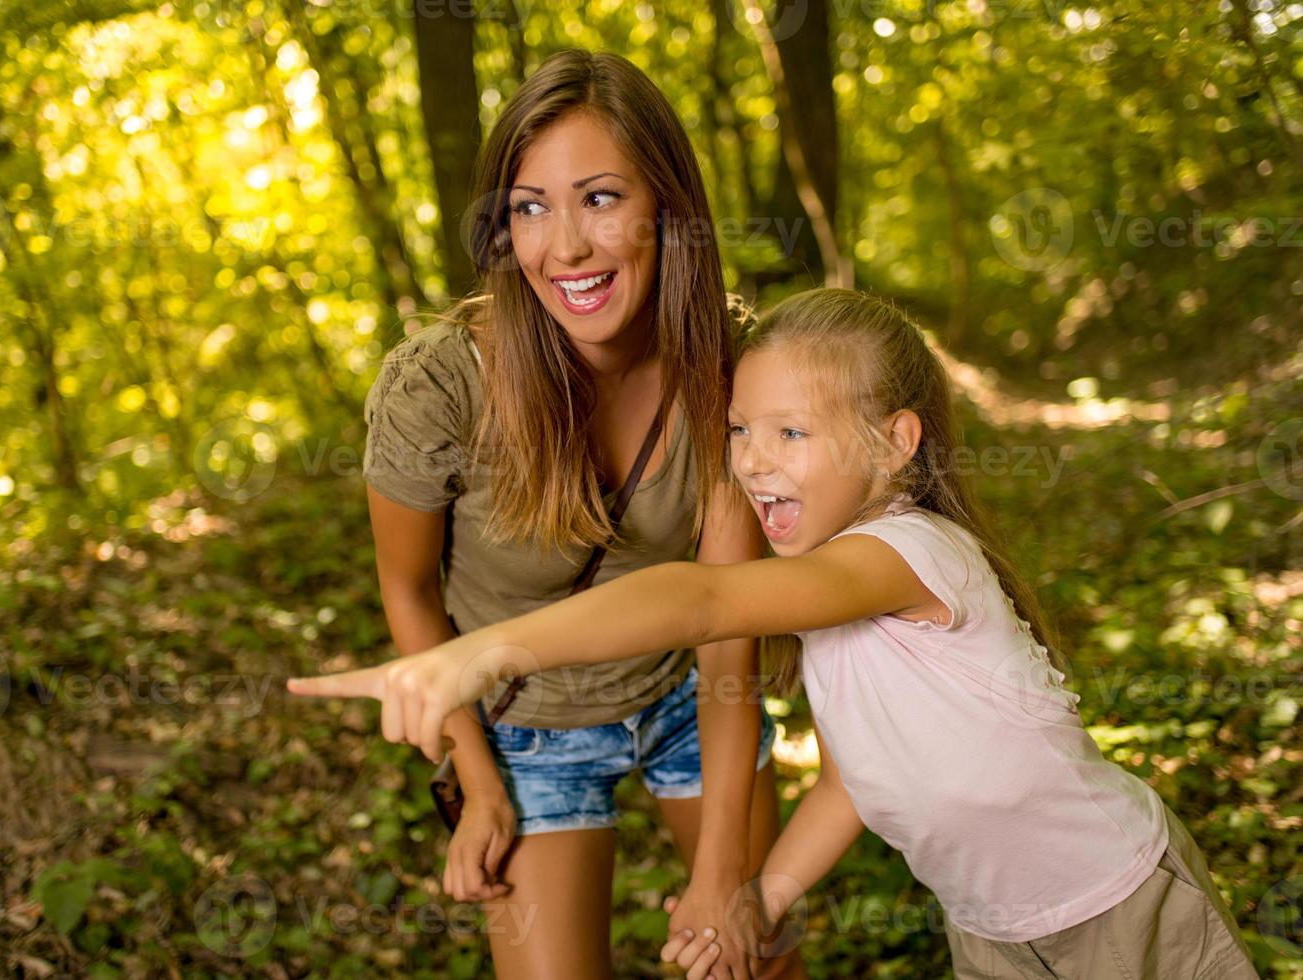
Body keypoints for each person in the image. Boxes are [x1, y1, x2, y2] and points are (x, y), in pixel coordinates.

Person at [292, 288, 1261, 980]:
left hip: (1120, 896)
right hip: (994, 931)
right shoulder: (825, 610)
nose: (753, 463)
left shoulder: (909, 554)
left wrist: (482, 648)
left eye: (789, 434)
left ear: (896, 442)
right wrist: (763, 896)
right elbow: (847, 783)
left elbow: (706, 602)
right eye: (741, 431)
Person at [322, 48, 805, 980]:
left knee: (757, 961)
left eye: (600, 198)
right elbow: (408, 592)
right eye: (530, 207)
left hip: (687, 698)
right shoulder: (439, 387)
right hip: (524, 719)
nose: (566, 247)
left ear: (667, 205)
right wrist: (476, 775)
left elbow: (725, 632)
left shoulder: (728, 366)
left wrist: (722, 879)